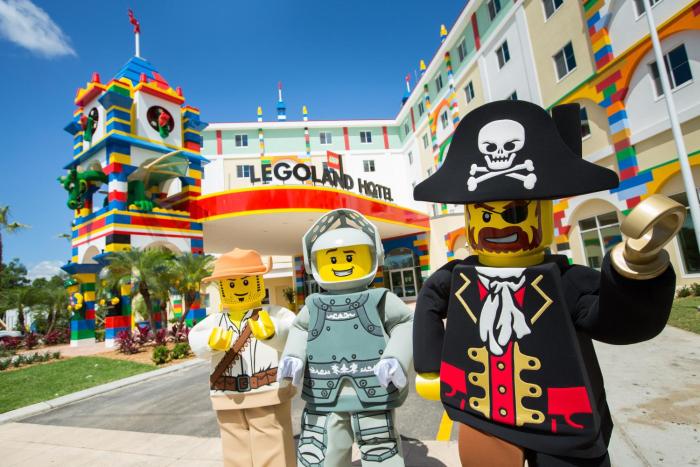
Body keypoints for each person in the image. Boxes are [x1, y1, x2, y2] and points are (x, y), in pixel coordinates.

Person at [412, 100, 685, 466]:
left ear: (541, 212)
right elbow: (429, 301)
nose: (499, 225)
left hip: (560, 424)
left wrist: (635, 271)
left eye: (515, 213)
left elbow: (616, 321)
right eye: (485, 215)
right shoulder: (456, 278)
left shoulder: (566, 282)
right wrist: (431, 364)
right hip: (481, 414)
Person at [278, 208, 414, 466]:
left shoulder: (381, 299)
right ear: (314, 263)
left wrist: (396, 357)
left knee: (380, 451)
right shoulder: (313, 305)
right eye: (332, 258)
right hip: (323, 394)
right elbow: (300, 329)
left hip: (373, 392)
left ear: (373, 256)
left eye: (350, 256)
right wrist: (293, 356)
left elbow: (405, 323)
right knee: (322, 453)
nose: (341, 264)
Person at [188, 248, 296, 467]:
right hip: (227, 393)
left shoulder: (274, 314)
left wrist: (274, 332)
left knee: (273, 443)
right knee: (234, 447)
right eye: (231, 284)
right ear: (221, 287)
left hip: (267, 390)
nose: (238, 289)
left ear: (258, 282)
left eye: (246, 282)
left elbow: (293, 333)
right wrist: (210, 342)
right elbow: (195, 339)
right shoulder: (215, 321)